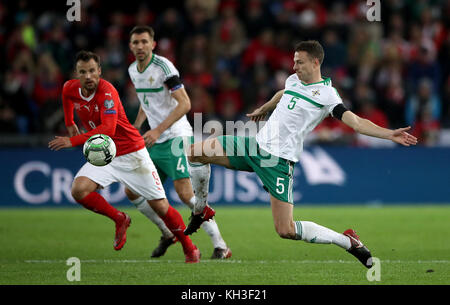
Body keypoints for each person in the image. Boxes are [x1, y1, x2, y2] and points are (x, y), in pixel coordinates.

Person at [187, 41, 418, 268]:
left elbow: (356, 123)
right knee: (195, 153)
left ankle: (348, 241)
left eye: (299, 62)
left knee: (285, 230)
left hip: (277, 161)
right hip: (253, 146)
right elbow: (283, 93)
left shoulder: (328, 95)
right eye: (294, 61)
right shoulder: (293, 80)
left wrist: (389, 134)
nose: (294, 66)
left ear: (315, 62)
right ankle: (201, 210)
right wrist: (266, 107)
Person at [48, 51, 201, 263]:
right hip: (107, 154)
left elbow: (108, 130)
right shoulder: (69, 87)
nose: (88, 76)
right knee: (79, 190)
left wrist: (72, 140)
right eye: (83, 72)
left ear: (99, 71)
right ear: (77, 74)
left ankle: (189, 247)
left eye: (92, 71)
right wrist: (69, 123)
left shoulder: (107, 91)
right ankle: (120, 218)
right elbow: (67, 97)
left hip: (132, 153)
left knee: (161, 206)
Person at [126, 25, 231, 259]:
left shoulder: (163, 67)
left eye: (144, 41)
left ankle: (220, 245)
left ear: (153, 44)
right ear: (130, 46)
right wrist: (136, 126)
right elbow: (147, 101)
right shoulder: (133, 70)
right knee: (132, 190)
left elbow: (185, 104)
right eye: (136, 42)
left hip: (175, 135)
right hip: (155, 139)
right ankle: (167, 232)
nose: (140, 46)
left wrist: (158, 129)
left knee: (184, 193)